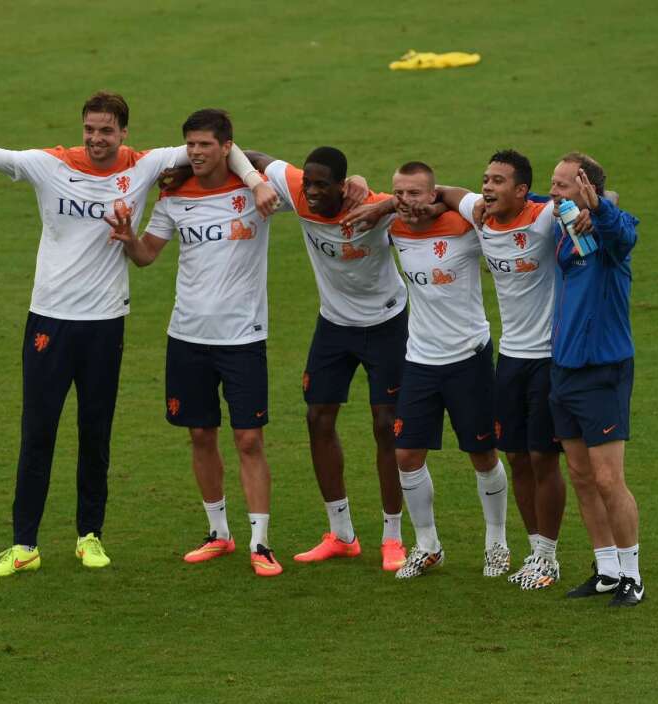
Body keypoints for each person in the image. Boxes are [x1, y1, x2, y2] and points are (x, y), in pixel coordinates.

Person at [0, 86, 278, 577]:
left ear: (124, 133)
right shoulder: (50, 165)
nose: (96, 139)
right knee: (37, 431)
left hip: (105, 322)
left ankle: (89, 536)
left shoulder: (144, 165)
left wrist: (254, 181)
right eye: (89, 130)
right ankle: (23, 545)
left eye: (106, 131)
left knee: (94, 434)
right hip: (49, 319)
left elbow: (223, 148)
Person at [105, 108, 282, 577]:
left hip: (243, 337)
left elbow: (279, 169)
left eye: (206, 145)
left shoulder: (258, 190)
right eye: (191, 145)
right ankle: (218, 533)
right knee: (200, 434)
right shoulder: (173, 198)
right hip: (186, 337)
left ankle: (260, 542)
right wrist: (127, 239)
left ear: (227, 147)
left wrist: (254, 177)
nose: (196, 152)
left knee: (248, 439)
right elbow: (146, 257)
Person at [245, 146, 409, 571]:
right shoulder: (297, 189)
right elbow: (251, 154)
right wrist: (246, 177)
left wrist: (385, 205)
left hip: (386, 322)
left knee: (384, 424)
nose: (312, 192)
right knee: (317, 418)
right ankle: (342, 534)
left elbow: (423, 198)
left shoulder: (371, 206)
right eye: (309, 183)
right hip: (334, 325)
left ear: (343, 185)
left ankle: (393, 537)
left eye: (323, 185)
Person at [436, 151, 567, 582]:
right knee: (515, 456)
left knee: (543, 457)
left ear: (522, 190)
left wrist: (580, 209)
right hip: (509, 358)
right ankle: (534, 552)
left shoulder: (545, 217)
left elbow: (609, 198)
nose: (488, 187)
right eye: (485, 180)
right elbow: (449, 193)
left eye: (498, 181)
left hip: (548, 358)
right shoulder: (481, 216)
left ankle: (549, 556)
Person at [376, 162, 508, 579]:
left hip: (468, 357)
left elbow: (480, 205)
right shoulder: (393, 228)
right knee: (407, 455)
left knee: (482, 454)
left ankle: (497, 543)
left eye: (415, 193)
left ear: (434, 194)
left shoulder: (463, 225)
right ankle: (428, 544)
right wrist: (383, 206)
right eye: (400, 193)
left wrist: (444, 198)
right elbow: (360, 196)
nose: (406, 201)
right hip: (419, 360)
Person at [547, 153, 643, 605]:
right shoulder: (564, 226)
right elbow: (518, 196)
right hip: (564, 370)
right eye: (554, 183)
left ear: (589, 191)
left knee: (609, 480)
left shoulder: (609, 235)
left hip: (602, 371)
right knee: (582, 476)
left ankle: (632, 575)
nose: (555, 192)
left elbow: (624, 233)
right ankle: (606, 569)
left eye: (564, 186)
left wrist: (601, 208)